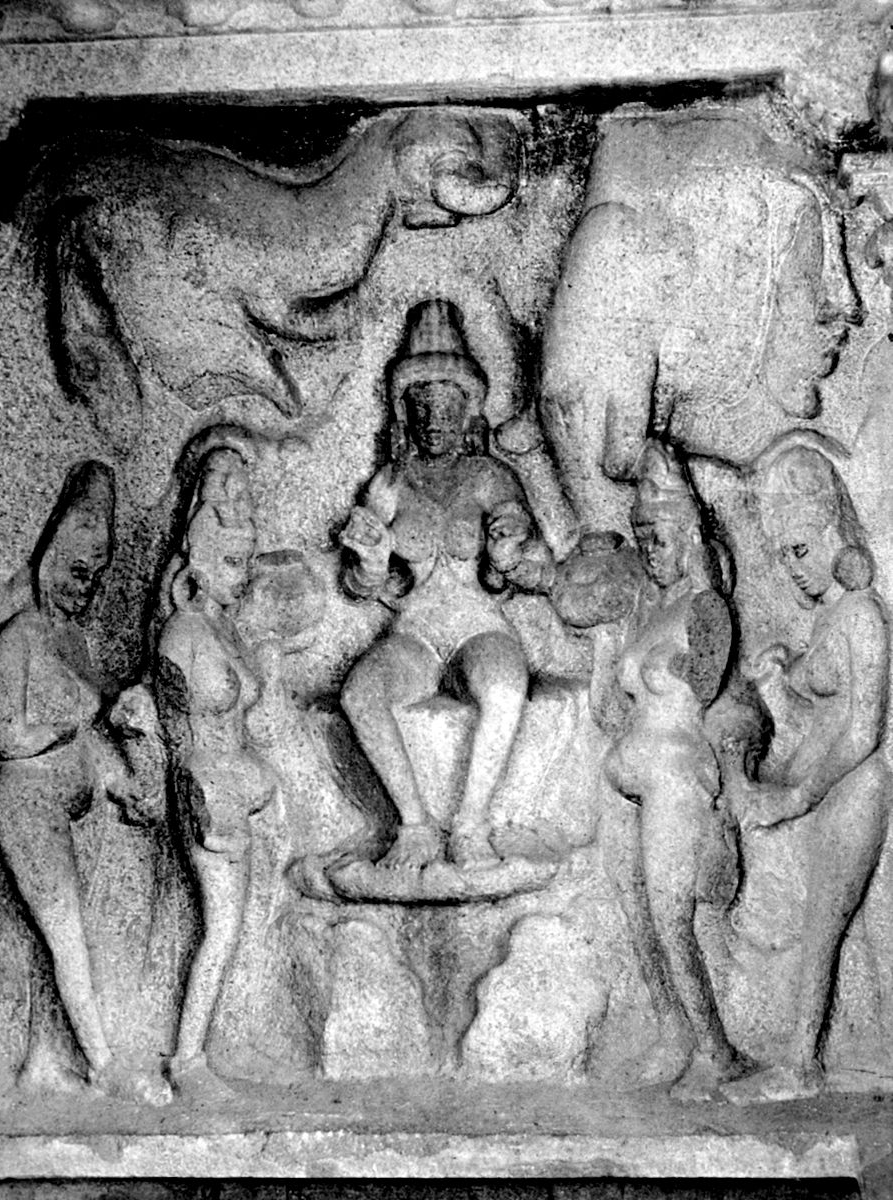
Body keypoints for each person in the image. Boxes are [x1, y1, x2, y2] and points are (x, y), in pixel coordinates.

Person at [339, 299, 551, 871]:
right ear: (405, 412)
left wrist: (509, 551)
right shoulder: (390, 483)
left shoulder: (490, 477)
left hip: (479, 625)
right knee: (360, 692)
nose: (434, 418)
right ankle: (414, 825)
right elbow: (360, 586)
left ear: (468, 409)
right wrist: (372, 559)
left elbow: (529, 561)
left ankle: (471, 823)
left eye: (446, 404)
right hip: (415, 632)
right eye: (421, 404)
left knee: (504, 685)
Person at [0, 460, 169, 1104]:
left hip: (79, 806)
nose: (83, 586)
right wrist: (70, 723)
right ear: (48, 557)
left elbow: (93, 735)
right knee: (67, 936)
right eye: (74, 570)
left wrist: (125, 782)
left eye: (94, 576)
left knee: (77, 939)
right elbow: (11, 738)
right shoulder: (18, 638)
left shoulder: (75, 643)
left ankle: (51, 1059)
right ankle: (104, 1065)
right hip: (29, 804)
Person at [724, 439, 892, 1102]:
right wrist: (780, 679)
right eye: (781, 557)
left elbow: (861, 732)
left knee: (821, 931)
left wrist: (795, 796)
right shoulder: (831, 615)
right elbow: (819, 705)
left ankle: (802, 1064)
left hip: (854, 789)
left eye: (799, 551)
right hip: (823, 788)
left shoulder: (863, 616)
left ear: (832, 532)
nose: (792, 571)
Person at [603, 439, 751, 1098]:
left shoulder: (705, 608)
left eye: (658, 538)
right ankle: (676, 1033)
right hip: (631, 775)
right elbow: (615, 705)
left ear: (688, 536)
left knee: (672, 920)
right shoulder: (651, 610)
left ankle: (718, 1052)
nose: (649, 550)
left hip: (676, 774)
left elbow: (711, 684)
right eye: (641, 539)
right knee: (641, 920)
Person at [155, 447, 279, 1096]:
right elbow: (174, 725)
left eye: (246, 562)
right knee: (220, 930)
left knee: (231, 932)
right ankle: (187, 1062)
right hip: (204, 791)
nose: (243, 576)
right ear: (199, 562)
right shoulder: (183, 634)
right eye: (231, 563)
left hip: (235, 783)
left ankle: (201, 1052)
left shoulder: (222, 629)